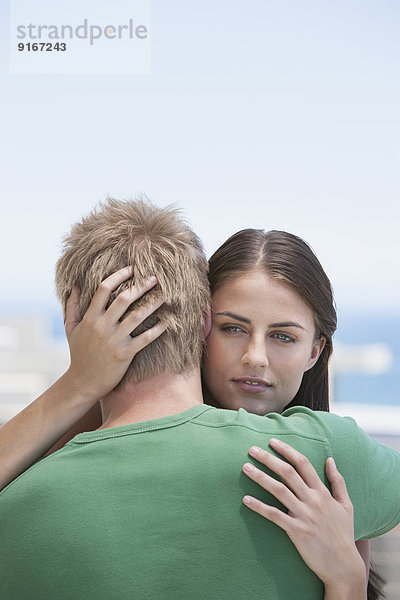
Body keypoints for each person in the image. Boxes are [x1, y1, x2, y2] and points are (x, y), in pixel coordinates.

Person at [0, 199, 399, 600]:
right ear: (202, 322)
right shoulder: (329, 452)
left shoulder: (24, 501)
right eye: (233, 328)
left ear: (316, 350)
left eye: (283, 336)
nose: (255, 358)